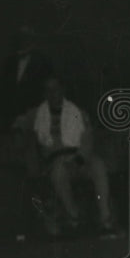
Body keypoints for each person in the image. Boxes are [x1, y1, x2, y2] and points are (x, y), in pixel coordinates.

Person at [33, 76, 118, 236]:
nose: (52, 94)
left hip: (79, 157)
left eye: (55, 89)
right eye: (48, 90)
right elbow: (41, 143)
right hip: (57, 161)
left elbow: (87, 139)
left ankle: (105, 218)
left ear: (62, 90)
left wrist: (78, 160)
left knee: (98, 164)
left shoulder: (77, 112)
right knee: (58, 171)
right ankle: (74, 215)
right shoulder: (40, 114)